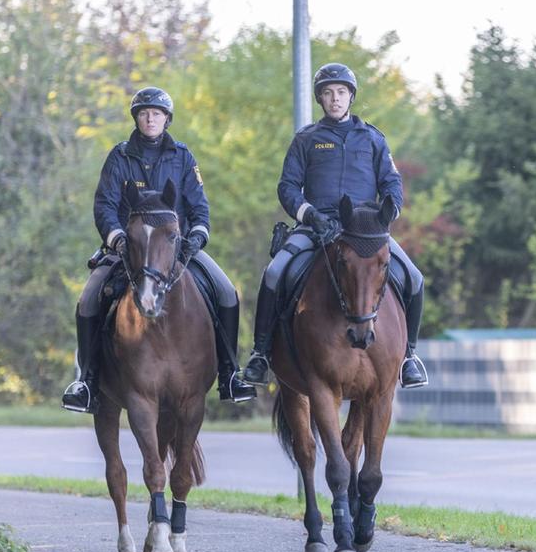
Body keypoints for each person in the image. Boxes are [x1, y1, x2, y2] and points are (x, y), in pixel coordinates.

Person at [61, 87, 256, 413]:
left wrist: (196, 237)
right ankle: (86, 380)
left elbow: (199, 206)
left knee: (226, 293)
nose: (150, 118)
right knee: (88, 299)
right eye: (144, 113)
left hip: (176, 250)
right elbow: (105, 206)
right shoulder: (119, 157)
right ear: (137, 118)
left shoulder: (183, 156)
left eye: (157, 113)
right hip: (128, 248)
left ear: (167, 119)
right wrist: (118, 238)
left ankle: (229, 372)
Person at [239, 63, 428, 388]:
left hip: (365, 233)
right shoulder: (306, 139)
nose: (335, 98)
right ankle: (260, 354)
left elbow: (392, 183)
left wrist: (388, 213)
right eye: (328, 93)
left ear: (351, 96)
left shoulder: (372, 138)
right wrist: (310, 215)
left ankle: (409, 357)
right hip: (315, 229)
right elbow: (287, 187)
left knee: (413, 277)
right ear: (320, 100)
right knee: (273, 273)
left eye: (341, 92)